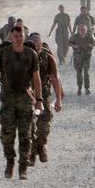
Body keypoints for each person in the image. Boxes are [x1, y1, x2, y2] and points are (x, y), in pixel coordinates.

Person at [0, 26, 44, 180]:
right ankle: (10, 161)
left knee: (26, 135)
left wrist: (39, 100)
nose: (18, 38)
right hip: (7, 99)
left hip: (26, 99)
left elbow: (36, 78)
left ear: (24, 37)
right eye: (16, 36)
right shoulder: (3, 54)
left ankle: (23, 166)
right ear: (11, 37)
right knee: (7, 134)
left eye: (21, 36)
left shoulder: (31, 54)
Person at [27, 33, 64, 167]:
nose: (35, 47)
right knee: (28, 125)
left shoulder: (48, 58)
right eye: (33, 44)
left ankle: (40, 145)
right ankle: (31, 154)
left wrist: (59, 99)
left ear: (41, 45)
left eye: (38, 44)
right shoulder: (22, 57)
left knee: (45, 121)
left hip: (43, 93)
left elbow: (55, 78)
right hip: (27, 96)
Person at [68, 24, 95, 95]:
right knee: (79, 73)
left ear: (86, 30)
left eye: (84, 29)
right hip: (78, 58)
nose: (82, 31)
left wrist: (91, 45)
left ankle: (87, 89)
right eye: (81, 30)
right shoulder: (75, 37)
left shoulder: (89, 36)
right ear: (79, 31)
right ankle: (79, 88)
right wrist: (74, 45)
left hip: (87, 57)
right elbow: (68, 42)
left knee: (86, 73)